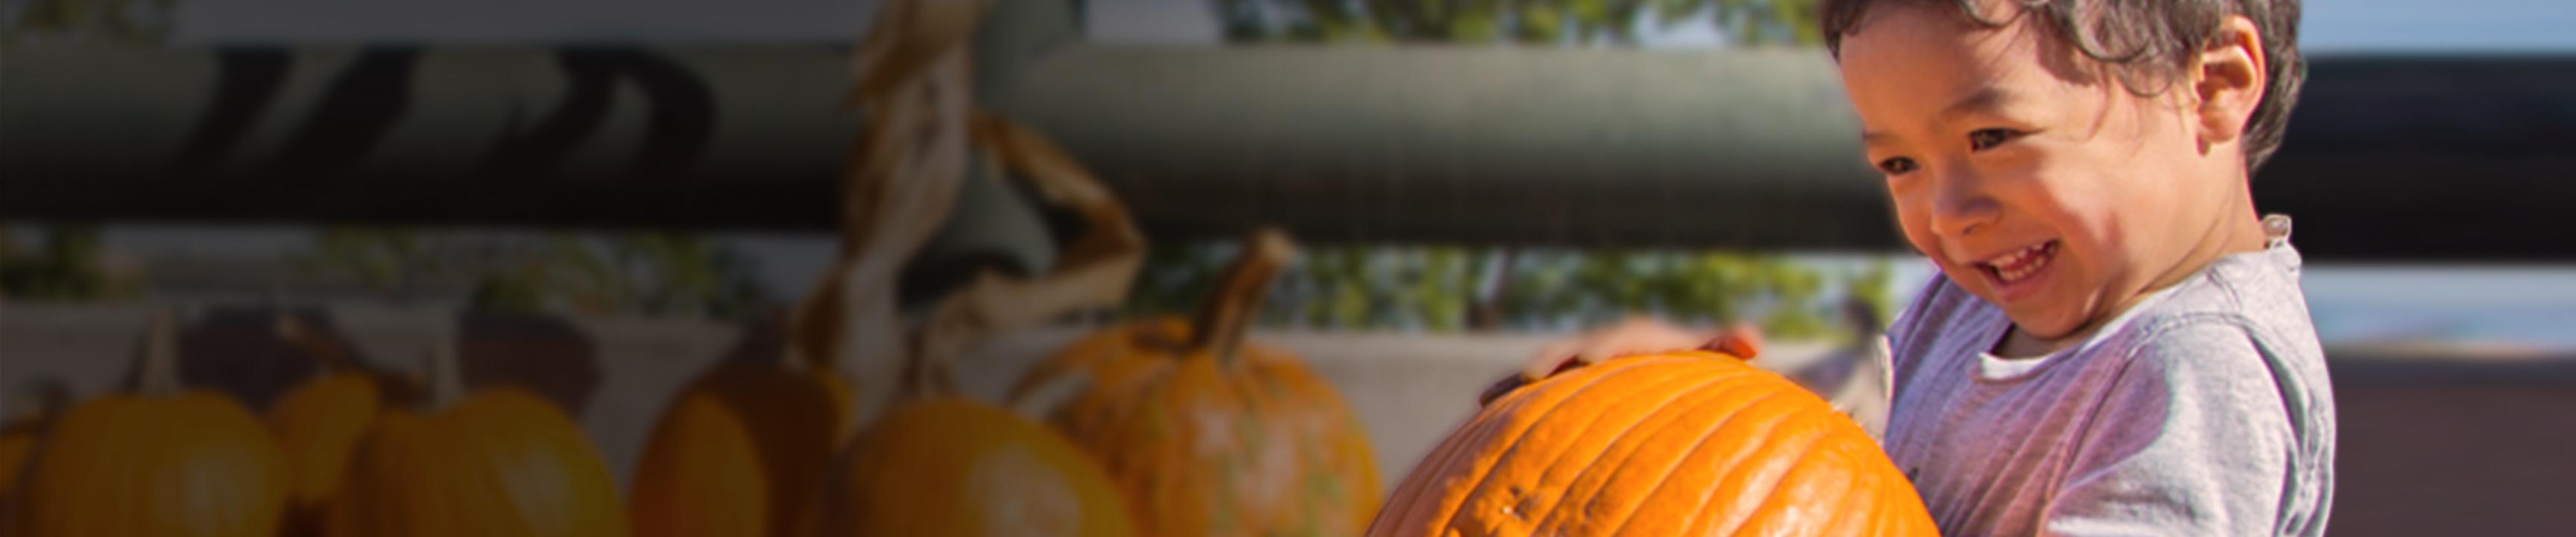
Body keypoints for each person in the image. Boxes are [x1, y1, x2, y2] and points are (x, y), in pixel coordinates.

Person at [1501, 0, 2334, 533]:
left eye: (1993, 139)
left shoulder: (2199, 367)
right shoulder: (1987, 295)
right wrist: (1675, 404)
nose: (1947, 214)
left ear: (2216, 86)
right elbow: (1878, 478)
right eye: (1900, 165)